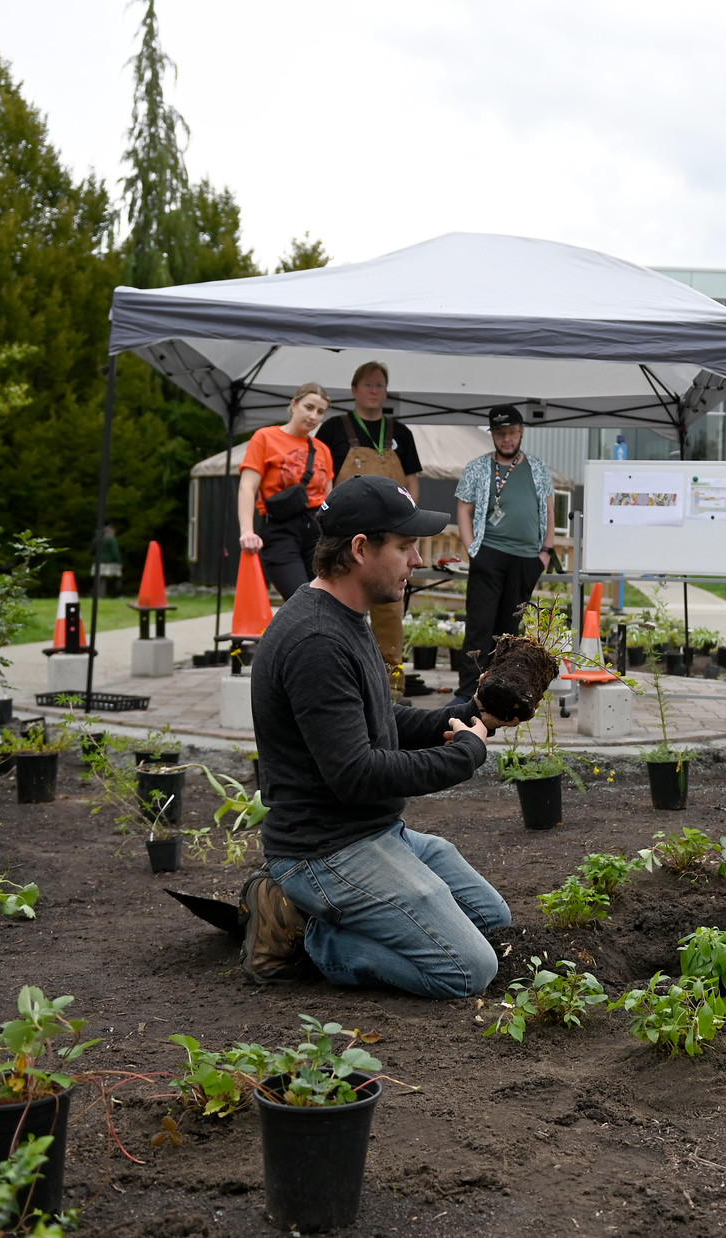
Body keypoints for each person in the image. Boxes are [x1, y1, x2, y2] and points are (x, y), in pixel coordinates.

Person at [238, 474, 513, 996]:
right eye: (406, 546)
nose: (417, 559)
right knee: (468, 969)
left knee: (492, 920)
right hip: (325, 852)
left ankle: (348, 915)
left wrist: (470, 711)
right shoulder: (315, 640)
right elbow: (357, 774)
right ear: (361, 549)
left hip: (378, 834)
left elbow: (381, 720)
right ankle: (312, 936)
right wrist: (464, 756)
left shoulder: (348, 614)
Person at [318, 362, 425, 668]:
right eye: (368, 385)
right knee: (339, 601)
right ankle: (333, 667)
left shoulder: (401, 433)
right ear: (354, 389)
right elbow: (321, 479)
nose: (374, 391)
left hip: (391, 535)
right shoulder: (333, 429)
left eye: (380, 385)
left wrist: (406, 523)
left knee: (390, 605)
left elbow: (412, 484)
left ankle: (391, 684)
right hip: (345, 537)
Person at [453, 404, 555, 701]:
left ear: (521, 432)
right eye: (500, 434)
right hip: (489, 552)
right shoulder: (477, 466)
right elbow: (464, 508)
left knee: (510, 630)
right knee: (479, 625)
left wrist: (546, 551)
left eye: (511, 433)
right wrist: (473, 548)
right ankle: (467, 692)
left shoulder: (538, 468)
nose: (506, 439)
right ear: (493, 435)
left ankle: (501, 691)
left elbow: (548, 510)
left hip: (527, 558)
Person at [238, 383, 336, 600]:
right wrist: (247, 531)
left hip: (317, 531)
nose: (313, 416)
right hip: (281, 528)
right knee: (301, 600)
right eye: (308, 407)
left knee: (327, 601)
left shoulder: (323, 450)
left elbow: (329, 499)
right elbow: (247, 486)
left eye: (320, 412)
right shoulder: (265, 437)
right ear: (294, 405)